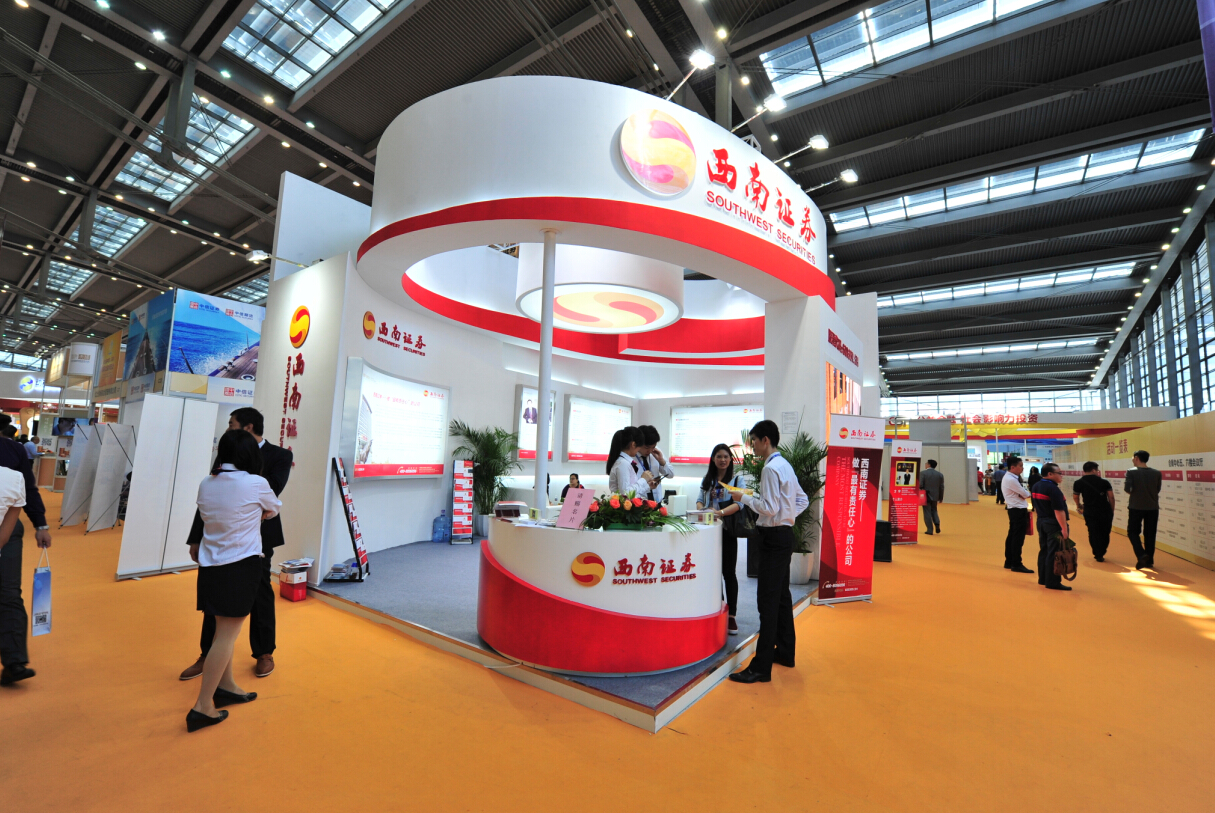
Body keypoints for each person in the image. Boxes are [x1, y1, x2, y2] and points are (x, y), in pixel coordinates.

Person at [181, 408, 293, 681]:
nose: (228, 429)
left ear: (248, 427)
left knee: (261, 592)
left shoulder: (280, 455)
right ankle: (208, 654)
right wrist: (196, 537)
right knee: (215, 596)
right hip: (218, 538)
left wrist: (245, 470)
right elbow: (209, 497)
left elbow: (272, 489)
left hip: (258, 539)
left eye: (231, 424)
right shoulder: (227, 452)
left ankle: (264, 652)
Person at [186, 429, 281, 732]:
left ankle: (226, 686)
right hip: (240, 567)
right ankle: (203, 706)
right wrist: (258, 515)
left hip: (210, 567)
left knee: (220, 633)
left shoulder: (207, 482)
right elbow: (273, 508)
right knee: (227, 636)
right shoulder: (256, 483)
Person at [728, 420, 807, 684]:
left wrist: (743, 498)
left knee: (768, 602)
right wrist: (787, 517)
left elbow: (769, 508)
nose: (752, 446)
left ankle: (761, 668)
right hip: (783, 535)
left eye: (753, 441)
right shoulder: (784, 465)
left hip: (773, 538)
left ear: (765, 440)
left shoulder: (770, 468)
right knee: (781, 597)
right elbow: (802, 500)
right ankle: (785, 652)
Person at [0, 414, 51, 686]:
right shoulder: (15, 450)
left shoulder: (14, 450)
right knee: (8, 593)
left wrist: (40, 524)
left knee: (8, 592)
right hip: (8, 527)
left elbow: (27, 490)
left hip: (7, 528)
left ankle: (14, 661)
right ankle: (15, 661)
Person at [696, 443, 744, 636]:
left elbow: (740, 504)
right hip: (710, 533)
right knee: (713, 573)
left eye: (725, 456)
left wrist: (720, 513)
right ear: (713, 459)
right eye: (719, 456)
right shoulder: (708, 479)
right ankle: (719, 607)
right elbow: (700, 499)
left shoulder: (737, 479)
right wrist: (703, 510)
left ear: (730, 459)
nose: (722, 460)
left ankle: (731, 615)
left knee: (729, 573)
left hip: (728, 531)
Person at [1031, 463, 1071, 591]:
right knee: (1054, 552)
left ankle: (1043, 578)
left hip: (1041, 522)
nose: (1061, 475)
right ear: (1050, 474)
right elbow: (1058, 510)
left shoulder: (1036, 486)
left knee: (1044, 550)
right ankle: (1052, 582)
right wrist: (1064, 529)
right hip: (1053, 524)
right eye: (1059, 473)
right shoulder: (1053, 489)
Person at [1124, 450, 1162, 570]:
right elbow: (1157, 489)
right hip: (1153, 507)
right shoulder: (1157, 473)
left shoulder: (1131, 472)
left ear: (1136, 458)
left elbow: (1127, 489)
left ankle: (1141, 555)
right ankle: (1149, 561)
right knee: (1150, 533)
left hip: (1136, 506)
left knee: (1132, 532)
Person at [1073, 461, 1115, 562]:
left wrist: (1078, 506)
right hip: (1104, 510)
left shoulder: (1078, 482)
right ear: (1093, 470)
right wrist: (1111, 510)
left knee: (1093, 531)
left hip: (1089, 510)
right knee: (1105, 532)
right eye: (1097, 470)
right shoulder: (1104, 482)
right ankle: (1102, 550)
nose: (1097, 472)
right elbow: (1111, 497)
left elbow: (1076, 496)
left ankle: (1097, 553)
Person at [1000, 456, 1033, 574]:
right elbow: (1026, 494)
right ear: (1012, 467)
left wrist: (1023, 494)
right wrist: (1024, 494)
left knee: (1012, 536)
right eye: (1020, 466)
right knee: (1017, 538)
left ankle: (1009, 561)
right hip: (1018, 510)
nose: (1022, 468)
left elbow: (1023, 494)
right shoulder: (1012, 479)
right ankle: (1016, 563)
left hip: (1014, 509)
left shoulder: (1010, 478)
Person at [635, 425, 674, 500]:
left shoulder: (656, 452)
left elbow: (671, 474)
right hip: (639, 502)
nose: (650, 451)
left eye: (653, 447)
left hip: (656, 501)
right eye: (647, 447)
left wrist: (661, 461)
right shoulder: (631, 458)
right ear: (638, 443)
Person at [607, 427, 649, 495]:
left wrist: (648, 487)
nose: (638, 451)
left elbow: (631, 492)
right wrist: (643, 479)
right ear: (633, 444)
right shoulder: (623, 463)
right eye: (639, 447)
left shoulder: (624, 462)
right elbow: (625, 493)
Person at [918, 459, 944, 535]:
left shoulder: (923, 473)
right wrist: (940, 497)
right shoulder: (940, 474)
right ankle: (937, 524)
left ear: (928, 465)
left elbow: (920, 485)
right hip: (935, 496)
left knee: (927, 512)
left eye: (926, 463)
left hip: (926, 496)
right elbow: (942, 487)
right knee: (934, 510)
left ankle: (930, 529)